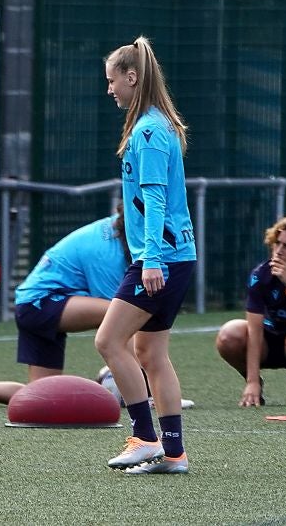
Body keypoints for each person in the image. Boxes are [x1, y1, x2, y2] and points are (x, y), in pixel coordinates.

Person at [93, 36, 196, 475]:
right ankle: (174, 454)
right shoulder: (153, 125)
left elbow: (154, 201)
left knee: (108, 341)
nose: (110, 89)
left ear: (132, 77)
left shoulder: (149, 131)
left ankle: (146, 438)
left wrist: (151, 259)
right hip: (176, 255)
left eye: (112, 81)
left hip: (163, 258)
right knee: (151, 354)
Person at [0, 212, 126, 405]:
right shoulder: (107, 251)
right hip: (41, 303)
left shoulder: (119, 230)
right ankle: (141, 387)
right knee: (121, 311)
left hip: (33, 306)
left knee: (43, 397)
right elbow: (121, 318)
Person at [214, 215, 286, 407]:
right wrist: (252, 381)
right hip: (270, 343)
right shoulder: (261, 274)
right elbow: (254, 331)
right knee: (229, 334)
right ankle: (256, 389)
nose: (278, 251)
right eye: (277, 243)